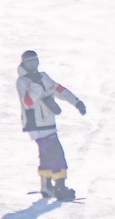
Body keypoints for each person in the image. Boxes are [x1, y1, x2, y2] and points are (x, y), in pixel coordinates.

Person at [16, 50, 87, 201]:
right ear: (24, 64)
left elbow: (59, 89)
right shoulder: (22, 82)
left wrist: (76, 102)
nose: (33, 65)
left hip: (48, 122)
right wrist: (35, 85)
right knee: (56, 153)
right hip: (35, 124)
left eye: (35, 61)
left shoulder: (44, 77)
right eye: (30, 62)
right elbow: (28, 102)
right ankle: (59, 185)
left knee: (47, 154)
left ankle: (47, 186)